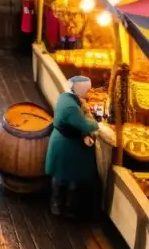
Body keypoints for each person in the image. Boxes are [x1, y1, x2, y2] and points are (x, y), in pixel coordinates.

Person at [45, 75, 113, 218]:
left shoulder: (67, 97)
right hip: (65, 145)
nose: (87, 93)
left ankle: (63, 206)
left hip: (66, 141)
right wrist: (98, 125)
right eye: (86, 90)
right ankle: (63, 207)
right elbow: (85, 124)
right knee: (65, 177)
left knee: (65, 177)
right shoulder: (70, 107)